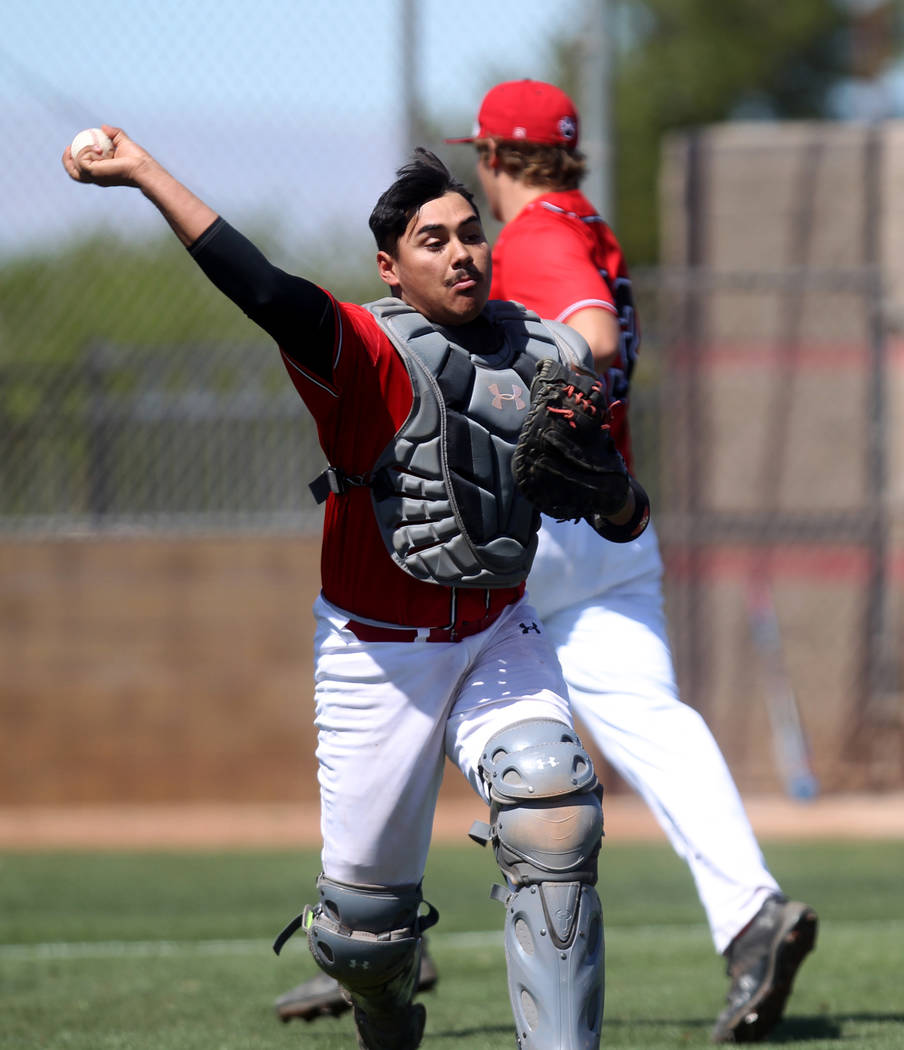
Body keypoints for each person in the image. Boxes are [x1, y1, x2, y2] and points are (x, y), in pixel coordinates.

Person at [63, 127, 648, 1050]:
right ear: (390, 266)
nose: (462, 251)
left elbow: (624, 520)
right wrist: (140, 171)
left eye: (469, 232)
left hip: (500, 634)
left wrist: (617, 492)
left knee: (554, 808)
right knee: (362, 934)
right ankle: (384, 1005)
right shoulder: (363, 351)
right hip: (376, 653)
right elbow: (259, 286)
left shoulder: (544, 357)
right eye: (434, 240)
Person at [273, 80, 818, 1045]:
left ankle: (382, 924)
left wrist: (567, 417)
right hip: (610, 518)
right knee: (641, 723)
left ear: (492, 157)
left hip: (536, 520)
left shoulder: (533, 235)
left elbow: (588, 341)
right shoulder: (589, 222)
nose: (462, 247)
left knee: (500, 734)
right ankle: (749, 911)